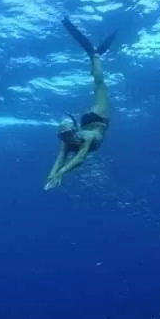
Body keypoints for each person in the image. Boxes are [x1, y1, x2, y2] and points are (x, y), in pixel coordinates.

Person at [44, 18, 117, 190]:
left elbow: (79, 159)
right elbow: (59, 159)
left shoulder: (87, 137)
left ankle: (95, 56)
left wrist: (60, 173)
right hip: (96, 119)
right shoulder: (68, 140)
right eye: (63, 135)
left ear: (73, 130)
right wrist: (52, 175)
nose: (66, 137)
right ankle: (94, 57)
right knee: (98, 86)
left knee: (99, 85)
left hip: (97, 118)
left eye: (66, 134)